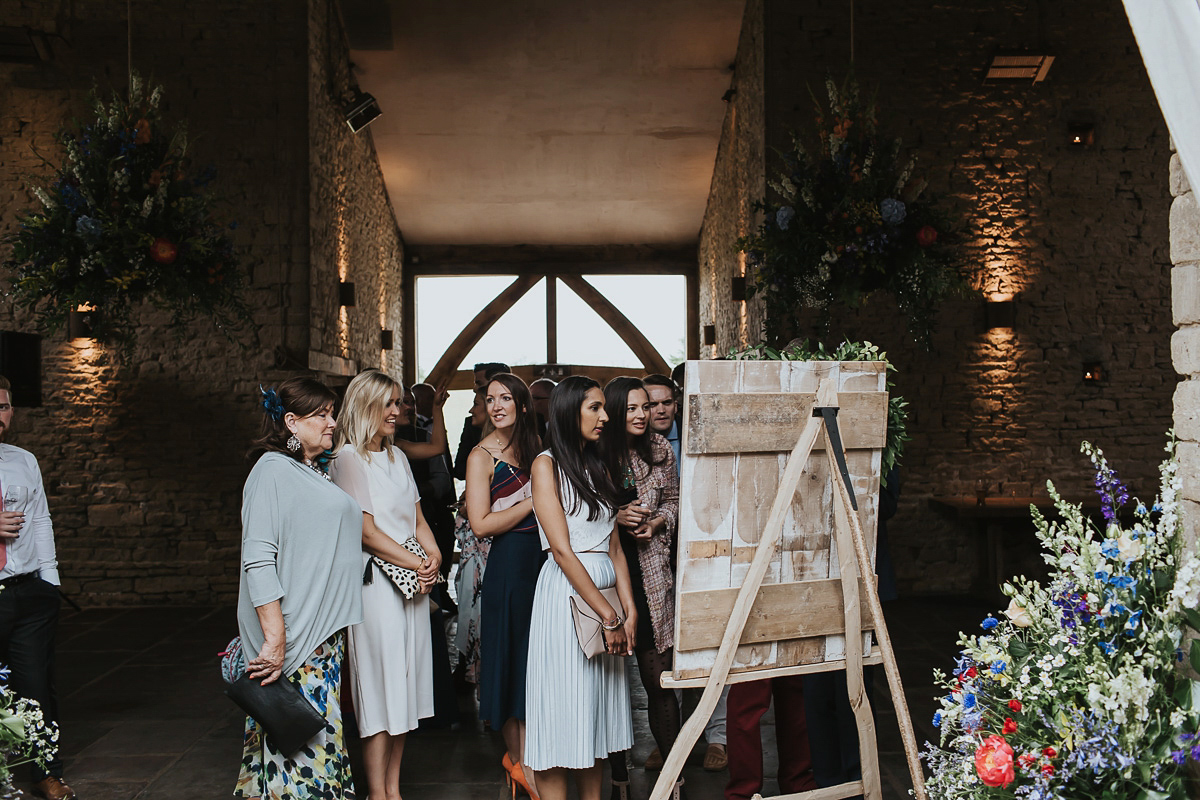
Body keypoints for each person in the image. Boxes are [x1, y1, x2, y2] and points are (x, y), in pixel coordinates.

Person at [235, 377, 364, 800]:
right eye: (321, 414)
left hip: (321, 636)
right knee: (305, 742)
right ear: (290, 422)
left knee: (312, 738)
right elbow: (258, 559)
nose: (332, 422)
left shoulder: (310, 470)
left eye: (332, 412)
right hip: (294, 638)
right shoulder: (271, 471)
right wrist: (275, 640)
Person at [330, 370, 442, 799]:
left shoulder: (395, 456)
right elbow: (367, 532)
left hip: (411, 583)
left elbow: (417, 519)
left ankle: (393, 789)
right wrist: (419, 562)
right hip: (376, 586)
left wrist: (432, 560)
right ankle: (378, 793)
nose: (398, 411)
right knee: (379, 689)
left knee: (405, 689)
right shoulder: (347, 459)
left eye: (399, 403)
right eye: (389, 404)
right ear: (365, 405)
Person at [525, 376, 636, 800]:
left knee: (595, 724)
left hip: (607, 595)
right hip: (568, 597)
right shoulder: (545, 465)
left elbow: (614, 544)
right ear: (570, 411)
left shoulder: (599, 464)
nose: (605, 416)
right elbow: (561, 549)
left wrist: (628, 608)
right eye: (595, 408)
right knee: (562, 714)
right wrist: (606, 615)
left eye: (604, 407)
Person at [598, 377, 682, 800]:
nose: (641, 415)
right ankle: (618, 778)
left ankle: (674, 778)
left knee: (659, 680)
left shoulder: (660, 450)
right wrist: (616, 515)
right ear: (613, 410)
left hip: (650, 573)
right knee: (610, 686)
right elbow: (579, 512)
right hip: (609, 576)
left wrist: (655, 522)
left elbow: (673, 501)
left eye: (645, 407)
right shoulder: (594, 452)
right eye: (631, 408)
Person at [642, 372, 729, 772]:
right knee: (668, 653)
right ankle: (672, 738)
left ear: (677, 403)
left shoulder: (698, 433)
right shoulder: (639, 446)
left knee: (712, 645)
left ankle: (717, 736)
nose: (658, 410)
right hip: (660, 558)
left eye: (665, 402)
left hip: (706, 553)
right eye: (649, 403)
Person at [466, 373, 546, 798]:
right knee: (512, 661)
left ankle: (532, 759)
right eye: (489, 399)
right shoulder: (481, 456)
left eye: (504, 398)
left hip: (546, 565)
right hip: (509, 566)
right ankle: (521, 765)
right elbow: (481, 524)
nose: (495, 405)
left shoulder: (538, 449)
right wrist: (536, 500)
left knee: (537, 664)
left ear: (522, 404)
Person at [0, 376, 70, 800]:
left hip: (29, 595)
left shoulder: (23, 460)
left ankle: (46, 773)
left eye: (4, 406)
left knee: (36, 689)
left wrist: (51, 583)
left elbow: (41, 521)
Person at [454, 388, 492, 686]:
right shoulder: (477, 450)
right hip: (475, 549)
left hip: (490, 549)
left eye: (477, 404)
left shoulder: (488, 455)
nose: (471, 410)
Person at [455, 362, 511, 480]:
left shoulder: (530, 429)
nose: (475, 388)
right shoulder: (472, 424)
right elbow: (460, 470)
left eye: (479, 383)